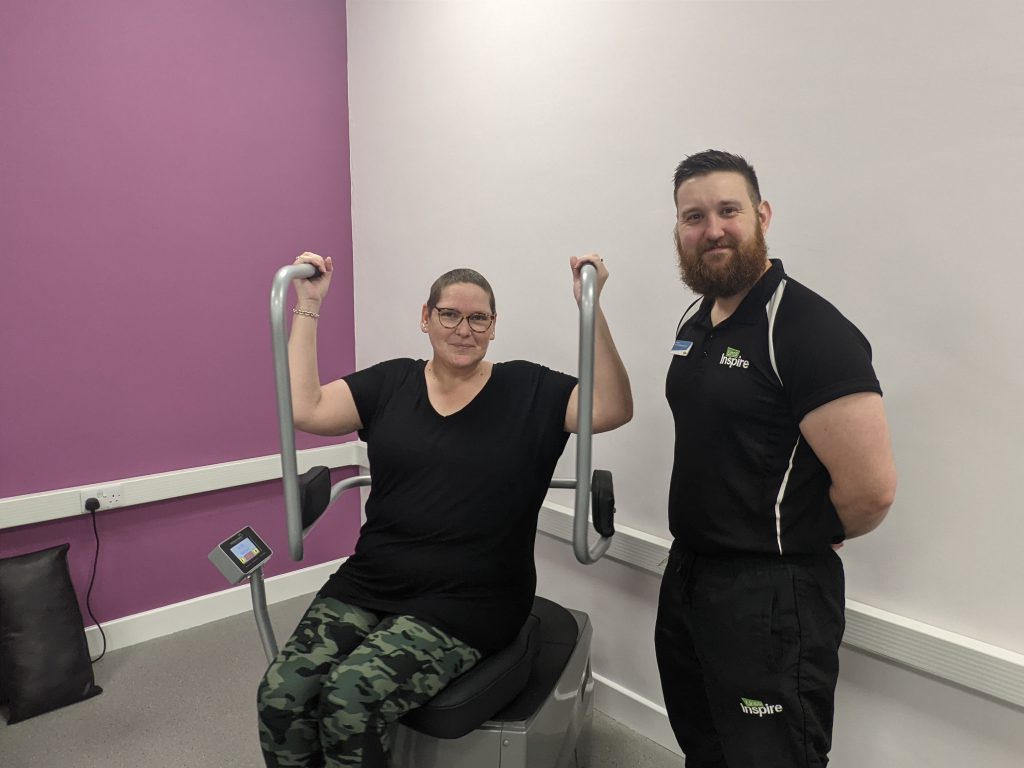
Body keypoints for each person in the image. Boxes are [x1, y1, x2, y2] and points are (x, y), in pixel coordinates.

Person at [257, 252, 632, 768]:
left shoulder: (529, 388)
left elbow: (610, 409)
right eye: (449, 314)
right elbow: (308, 409)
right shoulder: (391, 383)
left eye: (478, 318)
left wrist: (591, 308)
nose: (463, 329)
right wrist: (309, 306)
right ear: (426, 317)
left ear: (493, 327)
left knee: (351, 696)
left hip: (473, 598)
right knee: (280, 695)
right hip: (372, 580)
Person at [655, 150, 897, 768]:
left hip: (770, 596)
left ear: (761, 215)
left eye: (728, 210)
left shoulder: (808, 328)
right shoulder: (697, 320)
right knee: (704, 743)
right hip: (690, 577)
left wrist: (810, 532)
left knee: (771, 757)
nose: (712, 228)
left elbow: (871, 490)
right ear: (679, 230)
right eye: (694, 216)